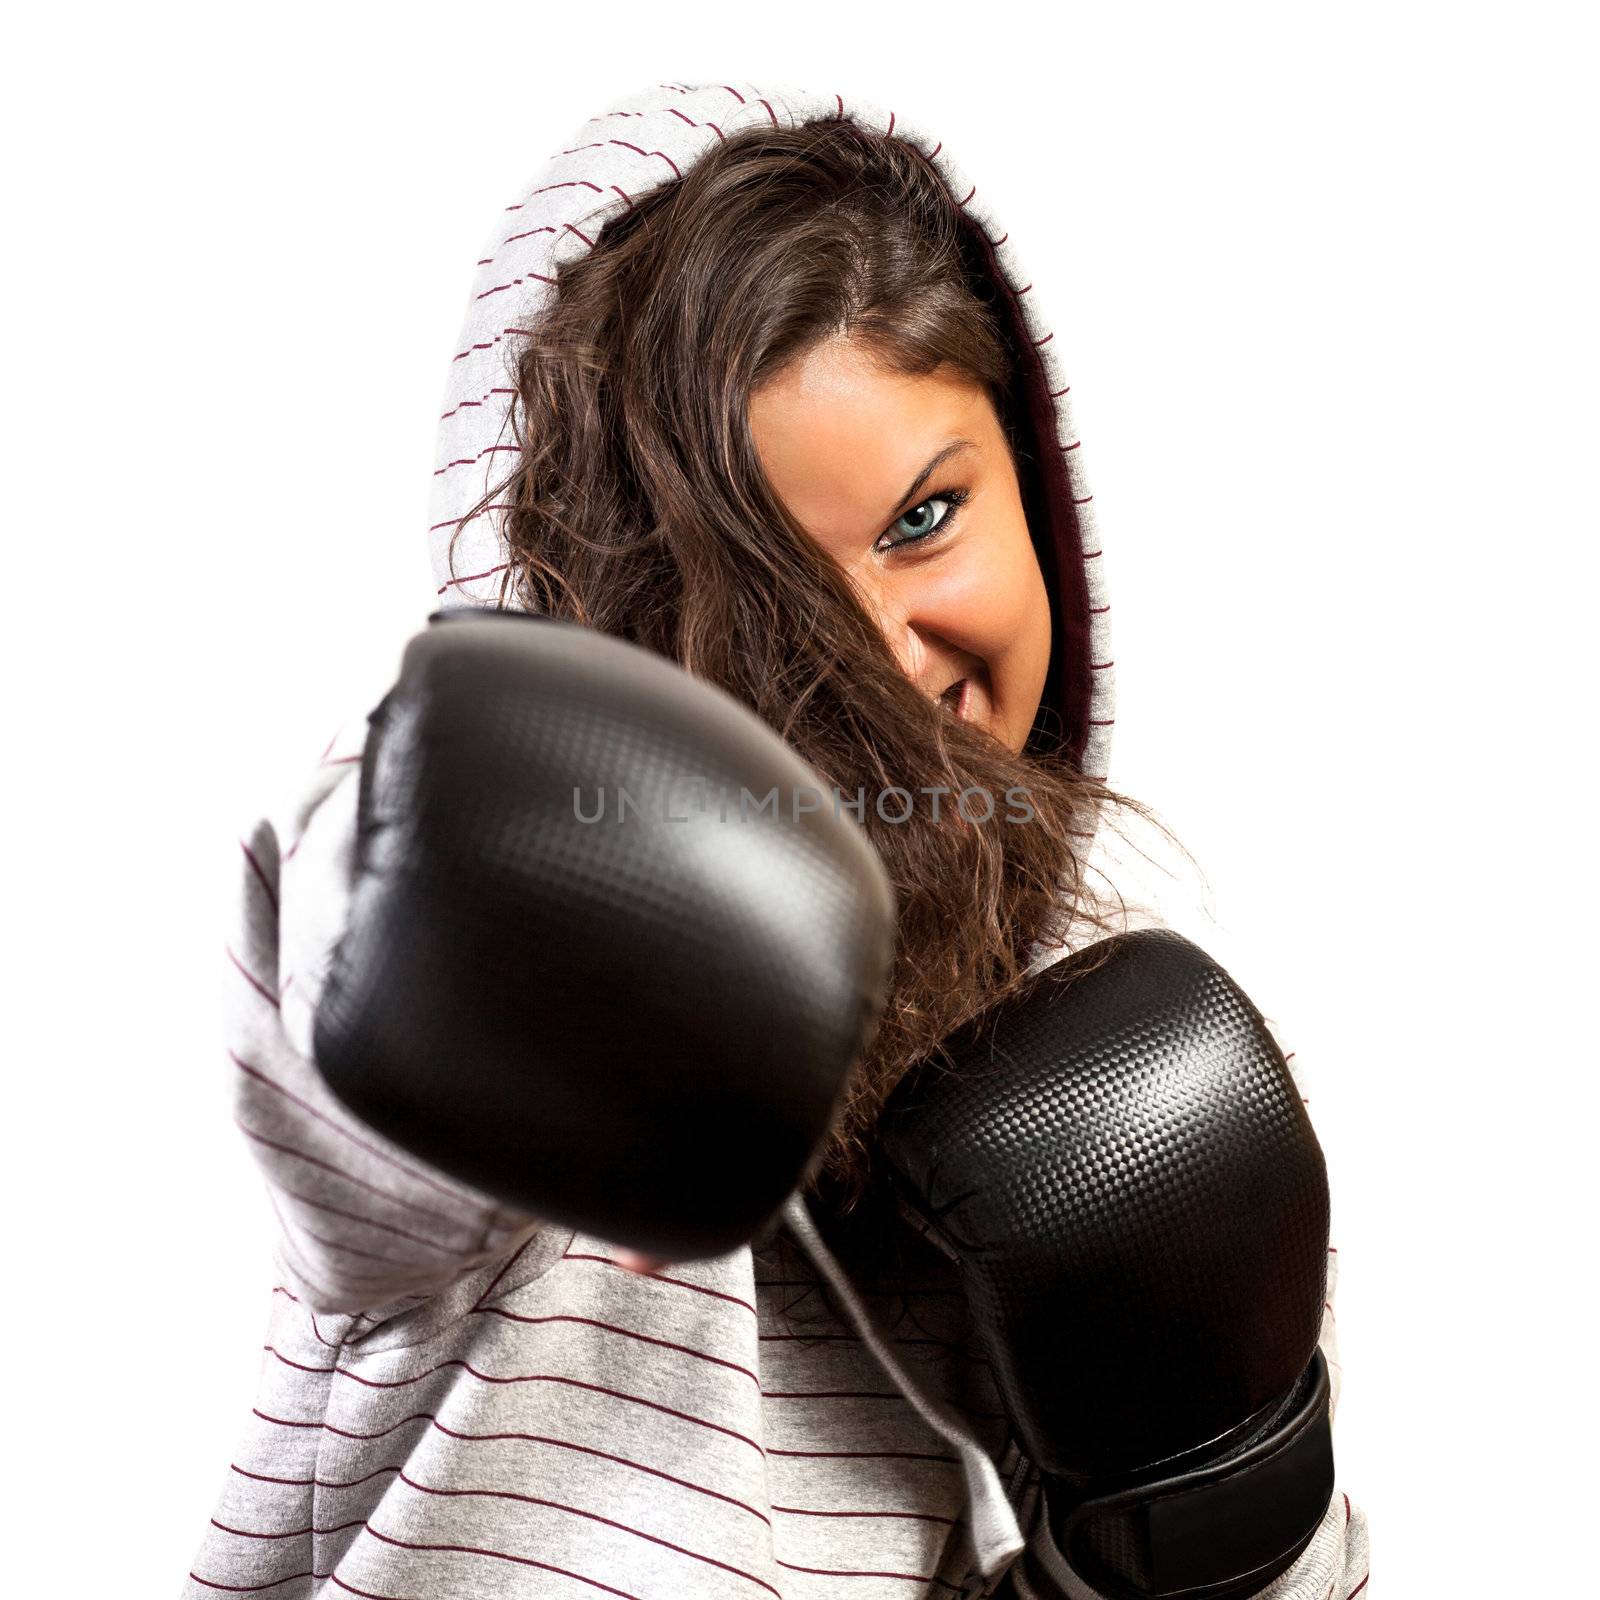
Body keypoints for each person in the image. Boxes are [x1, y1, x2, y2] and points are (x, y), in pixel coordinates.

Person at [181, 81, 1371, 1598]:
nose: (878, 657)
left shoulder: (1136, 1087)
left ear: (1036, 487)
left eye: (927, 516)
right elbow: (336, 971)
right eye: (763, 609)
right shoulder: (522, 1064)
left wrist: (1220, 1516)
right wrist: (495, 846)